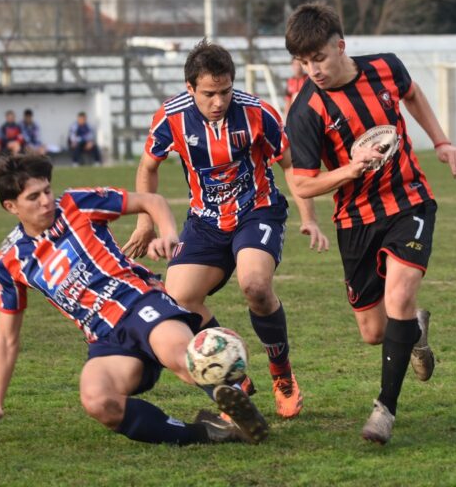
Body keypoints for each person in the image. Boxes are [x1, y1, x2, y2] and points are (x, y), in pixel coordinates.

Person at [0, 154, 269, 446]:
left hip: (139, 302)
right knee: (98, 401)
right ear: (11, 206)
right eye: (33, 197)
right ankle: (209, 432)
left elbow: (151, 200)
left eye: (46, 190)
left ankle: (231, 392)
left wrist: (168, 234)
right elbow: (6, 338)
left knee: (181, 358)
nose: (45, 201)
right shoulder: (12, 259)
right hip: (104, 337)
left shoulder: (75, 204)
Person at [284, 3, 456, 444]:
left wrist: (440, 140)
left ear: (340, 47)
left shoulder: (386, 67)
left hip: (409, 201)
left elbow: (414, 94)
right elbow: (304, 186)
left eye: (319, 58)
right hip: (355, 220)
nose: (313, 70)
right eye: (303, 63)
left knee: (400, 295)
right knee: (375, 332)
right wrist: (350, 169)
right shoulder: (306, 109)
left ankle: (385, 410)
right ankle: (414, 331)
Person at [123, 39, 329, 420]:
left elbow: (290, 165)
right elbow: (147, 167)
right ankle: (233, 376)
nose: (218, 101)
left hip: (257, 212)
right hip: (204, 222)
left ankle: (282, 374)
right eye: (208, 94)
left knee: (255, 286)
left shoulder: (257, 113)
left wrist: (309, 217)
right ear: (190, 89)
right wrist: (144, 222)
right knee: (177, 301)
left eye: (225, 91)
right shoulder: (171, 117)